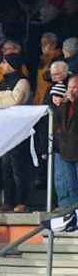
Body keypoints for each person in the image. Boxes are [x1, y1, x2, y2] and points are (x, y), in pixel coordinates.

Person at [0, 53, 33, 213]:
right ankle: (8, 201)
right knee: (6, 168)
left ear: (11, 64)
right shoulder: (0, 83)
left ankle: (21, 201)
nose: (1, 66)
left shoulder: (23, 82)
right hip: (3, 132)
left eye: (4, 62)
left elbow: (14, 101)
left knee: (18, 167)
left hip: (18, 131)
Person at [54, 75, 78, 210]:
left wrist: (75, 102)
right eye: (69, 88)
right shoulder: (65, 104)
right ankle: (74, 211)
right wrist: (63, 103)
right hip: (67, 150)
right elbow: (58, 120)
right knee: (71, 184)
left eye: (74, 87)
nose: (71, 91)